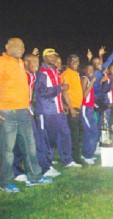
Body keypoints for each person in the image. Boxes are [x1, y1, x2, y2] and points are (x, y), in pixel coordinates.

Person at [0, 38, 52, 193]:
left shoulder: (20, 63)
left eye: (22, 46)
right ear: (7, 47)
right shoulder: (2, 62)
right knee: (7, 151)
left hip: (23, 111)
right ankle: (5, 182)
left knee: (30, 147)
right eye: (16, 45)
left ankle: (34, 177)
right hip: (7, 112)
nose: (20, 48)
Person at [13, 53, 60, 180]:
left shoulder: (33, 75)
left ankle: (39, 169)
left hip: (27, 111)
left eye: (38, 62)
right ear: (26, 63)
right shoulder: (19, 74)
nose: (37, 65)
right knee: (18, 142)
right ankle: (16, 171)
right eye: (34, 62)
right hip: (15, 111)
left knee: (34, 140)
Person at [35, 48, 82, 168]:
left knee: (65, 134)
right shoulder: (42, 72)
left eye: (54, 56)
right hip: (48, 111)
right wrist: (60, 88)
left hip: (59, 110)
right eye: (50, 56)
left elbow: (60, 92)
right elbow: (41, 91)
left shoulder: (55, 71)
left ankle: (67, 160)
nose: (53, 58)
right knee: (49, 138)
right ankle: (46, 165)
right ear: (44, 58)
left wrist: (64, 103)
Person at [61, 54, 83, 164]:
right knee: (73, 134)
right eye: (73, 60)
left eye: (77, 61)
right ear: (68, 62)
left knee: (76, 133)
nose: (75, 63)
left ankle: (75, 156)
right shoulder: (66, 74)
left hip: (77, 106)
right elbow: (64, 91)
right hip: (72, 108)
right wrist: (71, 108)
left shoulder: (76, 73)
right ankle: (74, 158)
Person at [80, 64, 99, 165]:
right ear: (85, 70)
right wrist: (92, 82)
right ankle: (88, 156)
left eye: (92, 69)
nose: (91, 71)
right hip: (85, 109)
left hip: (90, 108)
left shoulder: (88, 79)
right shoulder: (84, 79)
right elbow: (84, 94)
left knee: (90, 131)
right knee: (92, 131)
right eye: (89, 69)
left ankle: (85, 153)